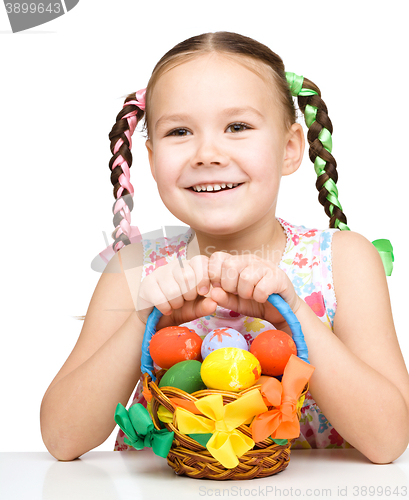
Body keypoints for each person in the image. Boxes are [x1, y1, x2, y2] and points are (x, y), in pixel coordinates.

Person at [40, 31, 409, 464]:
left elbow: (388, 441)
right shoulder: (135, 268)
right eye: (179, 131)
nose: (208, 153)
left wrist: (294, 312)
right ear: (153, 156)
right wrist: (144, 318)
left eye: (237, 127)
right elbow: (62, 439)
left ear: (290, 148)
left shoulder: (343, 260)